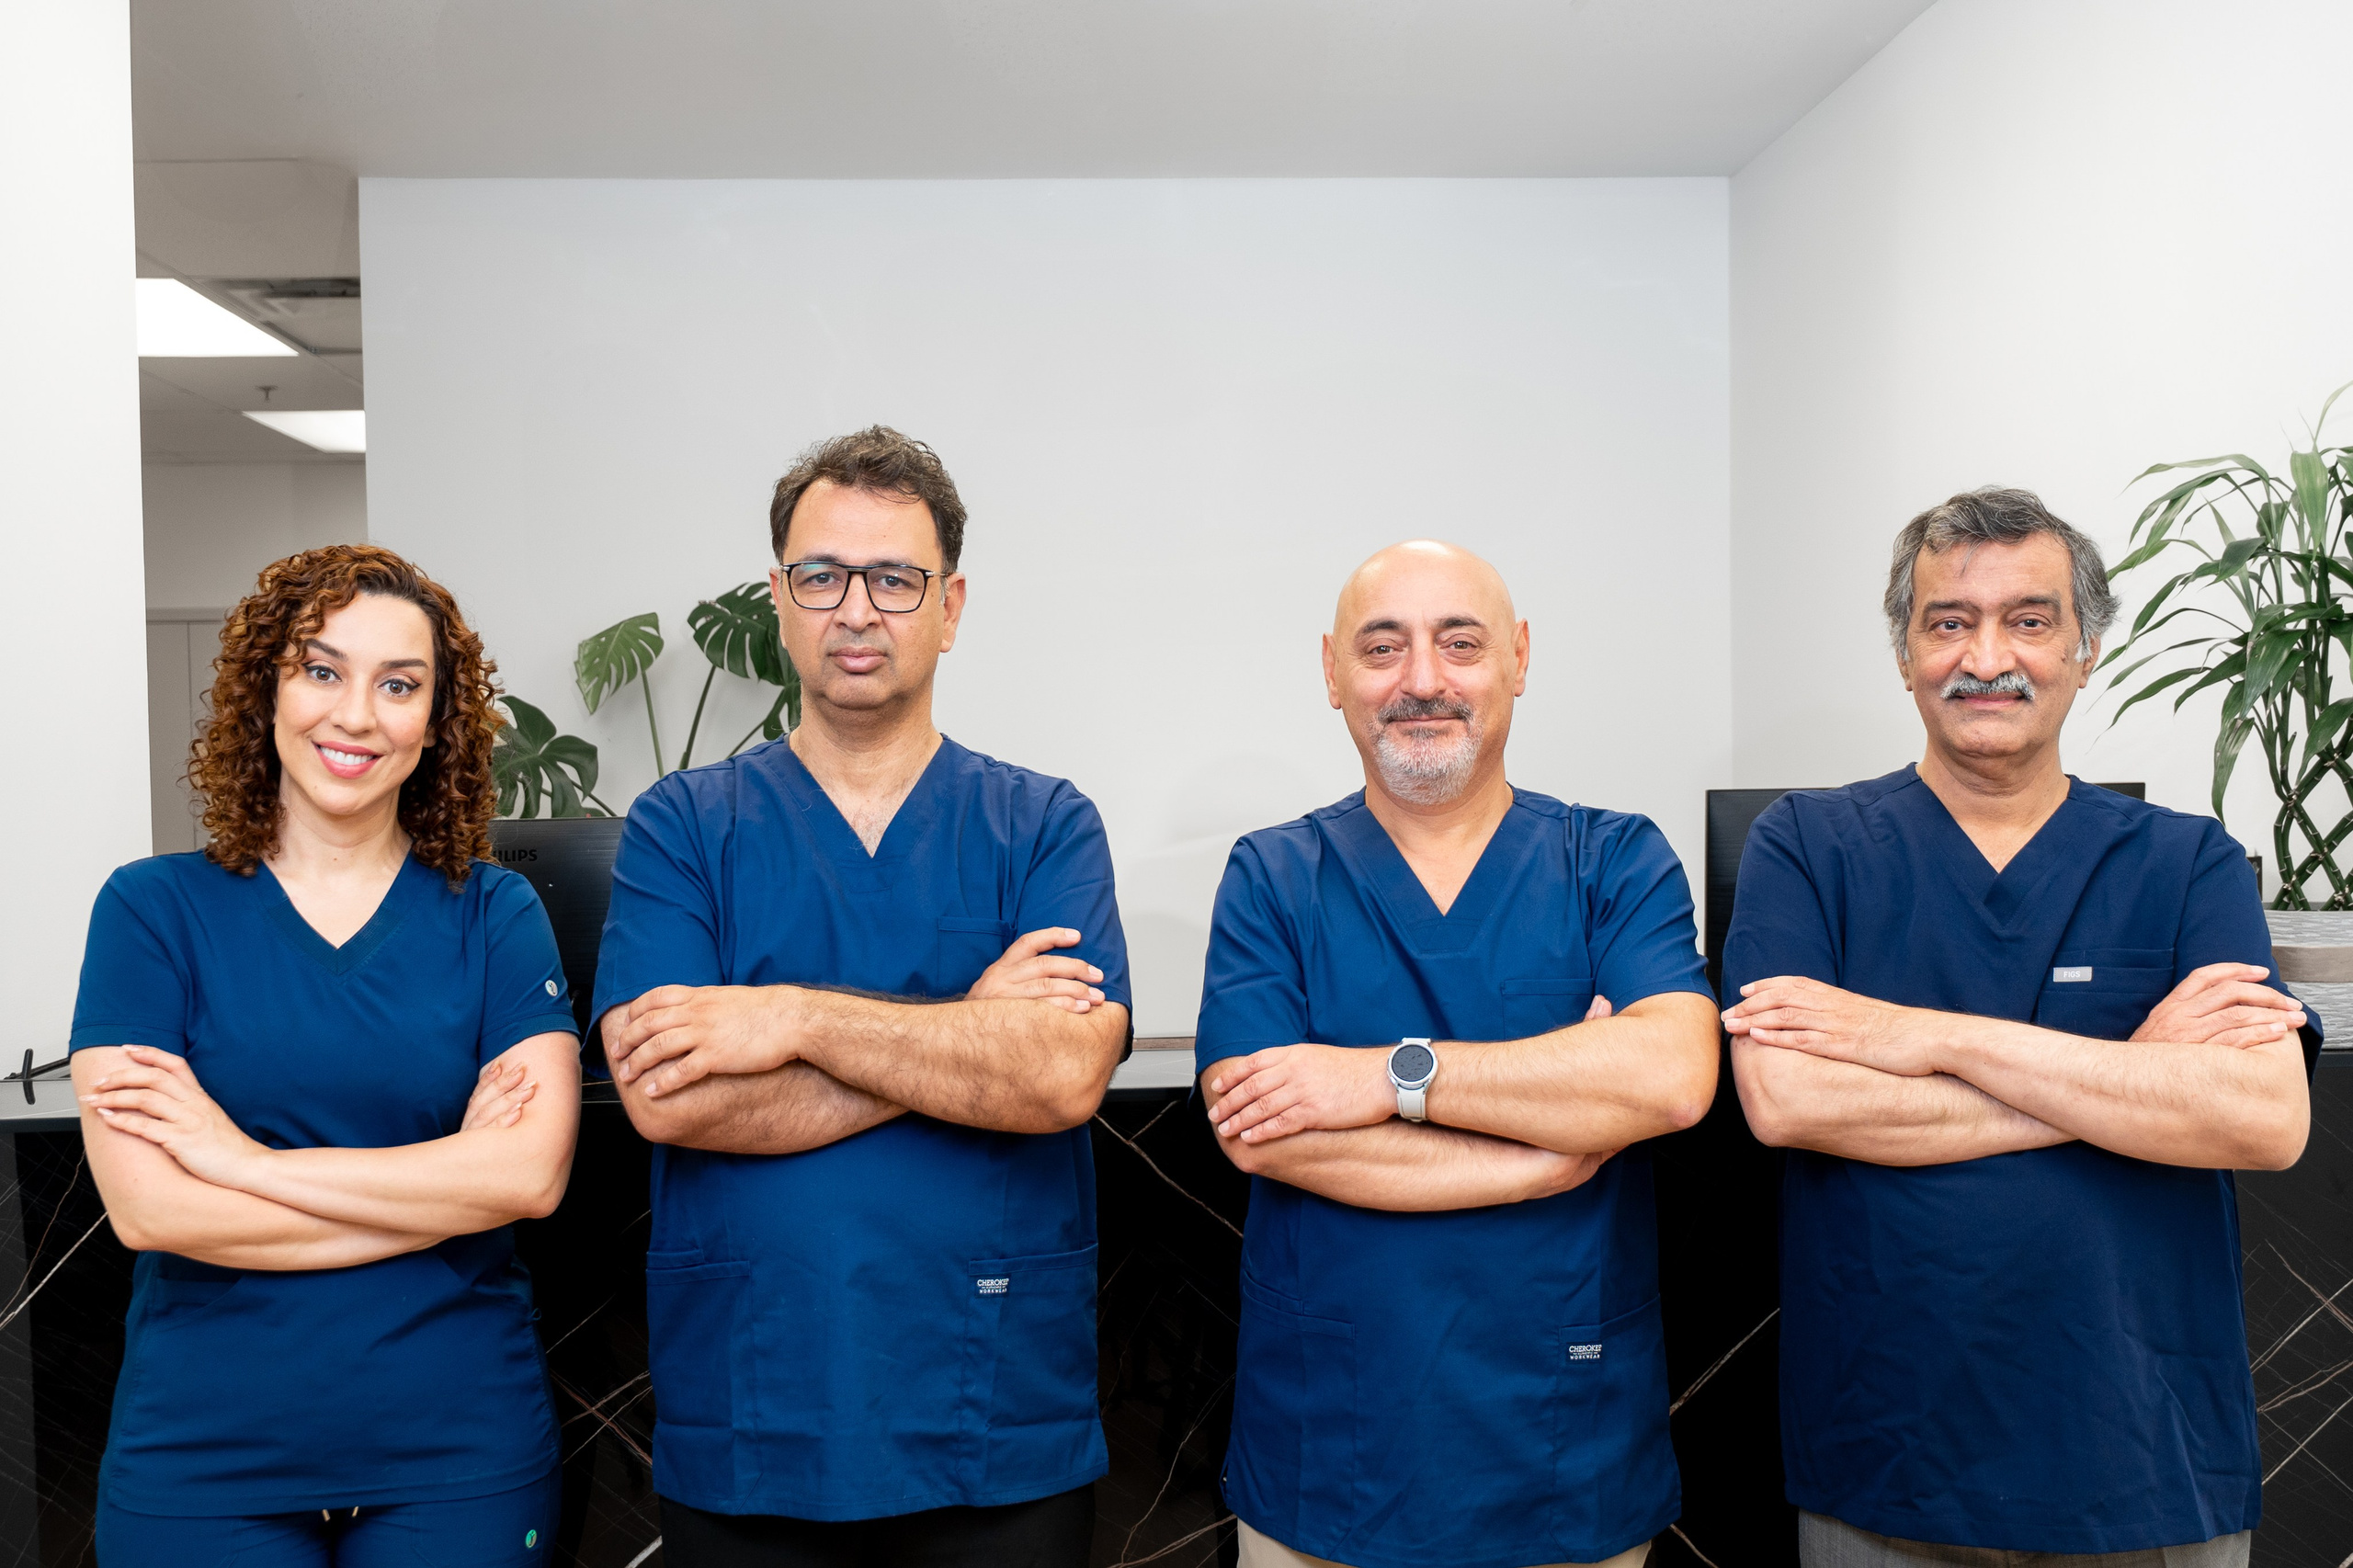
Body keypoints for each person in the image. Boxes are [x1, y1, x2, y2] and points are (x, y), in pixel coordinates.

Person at [1722, 487, 2317, 1568]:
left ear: (2084, 649)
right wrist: (2130, 1074)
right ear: (1903, 654)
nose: (1985, 655)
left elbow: (2265, 1117)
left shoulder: (2188, 861)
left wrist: (1927, 1034)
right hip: (1886, 1462)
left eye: (2029, 621)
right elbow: (1790, 1099)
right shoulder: (1807, 845)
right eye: (1947, 621)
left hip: (2147, 1464)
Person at [592, 426, 1131, 1567]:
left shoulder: (1043, 825)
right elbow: (671, 1099)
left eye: (895, 578)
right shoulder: (682, 829)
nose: (856, 609)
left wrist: (789, 1017)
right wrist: (966, 1027)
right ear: (779, 597)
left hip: (992, 1420)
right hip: (758, 1410)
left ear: (951, 604)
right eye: (821, 576)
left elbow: (1059, 1073)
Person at [1195, 540, 1721, 1568]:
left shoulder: (1611, 860)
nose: (1422, 680)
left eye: (1460, 643)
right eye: (1381, 647)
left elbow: (1668, 1077)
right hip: (1334, 1446)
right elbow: (1264, 1131)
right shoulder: (1272, 875)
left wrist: (1385, 1075)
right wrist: (1542, 1149)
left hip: (1564, 1440)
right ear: (1332, 671)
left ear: (1518, 657)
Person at [69, 545, 582, 1566]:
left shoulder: (496, 912)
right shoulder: (149, 910)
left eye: (400, 685)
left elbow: (527, 1174)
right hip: (202, 1454)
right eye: (321, 669)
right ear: (265, 688)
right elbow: (152, 1209)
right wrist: (443, 1188)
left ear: (435, 721)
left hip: (456, 1447)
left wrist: (244, 1164)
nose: (356, 714)